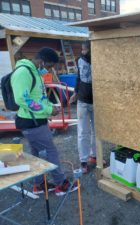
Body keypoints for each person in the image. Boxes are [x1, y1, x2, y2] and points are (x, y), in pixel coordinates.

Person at [11, 47, 78, 196]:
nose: (49, 70)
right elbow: (22, 99)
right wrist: (47, 110)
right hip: (31, 122)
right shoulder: (23, 73)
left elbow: (38, 97)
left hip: (35, 121)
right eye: (48, 66)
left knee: (36, 154)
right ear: (41, 61)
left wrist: (50, 107)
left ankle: (39, 185)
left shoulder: (35, 72)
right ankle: (61, 184)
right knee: (50, 151)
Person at [70, 42, 97, 173]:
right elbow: (79, 77)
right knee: (83, 132)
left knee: (98, 131)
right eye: (82, 49)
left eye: (85, 49)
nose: (83, 52)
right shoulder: (80, 60)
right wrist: (75, 93)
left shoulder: (99, 59)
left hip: (98, 101)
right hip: (83, 101)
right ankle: (83, 161)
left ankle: (95, 155)